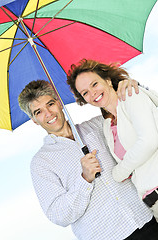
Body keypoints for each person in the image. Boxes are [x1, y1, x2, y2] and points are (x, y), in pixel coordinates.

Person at [18, 80, 158, 240]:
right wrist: (85, 179)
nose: (48, 113)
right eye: (38, 112)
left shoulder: (98, 125)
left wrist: (127, 85)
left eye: (50, 104)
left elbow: (137, 122)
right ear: (34, 120)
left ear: (59, 102)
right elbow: (58, 215)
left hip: (147, 221)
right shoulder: (41, 163)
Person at [67, 59, 158, 223]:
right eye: (85, 93)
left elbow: (149, 141)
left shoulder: (131, 96)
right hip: (152, 202)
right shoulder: (108, 126)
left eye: (94, 84)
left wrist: (118, 172)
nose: (92, 93)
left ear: (108, 80)